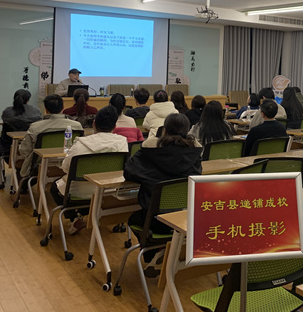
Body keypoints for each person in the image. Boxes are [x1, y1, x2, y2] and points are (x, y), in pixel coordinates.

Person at [124, 113, 202, 273]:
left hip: (156, 221)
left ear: (164, 130)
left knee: (134, 218)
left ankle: (156, 251)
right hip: (186, 219)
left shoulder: (148, 152)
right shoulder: (194, 154)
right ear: (187, 131)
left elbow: (129, 172)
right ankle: (164, 251)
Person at [50, 106, 128, 234]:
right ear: (114, 127)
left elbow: (65, 168)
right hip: (109, 191)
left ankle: (74, 217)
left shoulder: (80, 144)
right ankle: (84, 215)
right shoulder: (122, 142)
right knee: (92, 195)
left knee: (55, 188)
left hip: (79, 192)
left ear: (94, 124)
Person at [19, 95, 83, 179]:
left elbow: (24, 151)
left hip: (40, 165)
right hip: (69, 164)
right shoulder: (77, 126)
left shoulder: (35, 127)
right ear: (63, 108)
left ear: (46, 110)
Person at [0, 90, 42, 159]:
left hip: (9, 145)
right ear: (28, 100)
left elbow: (5, 121)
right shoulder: (36, 111)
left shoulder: (7, 111)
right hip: (31, 145)